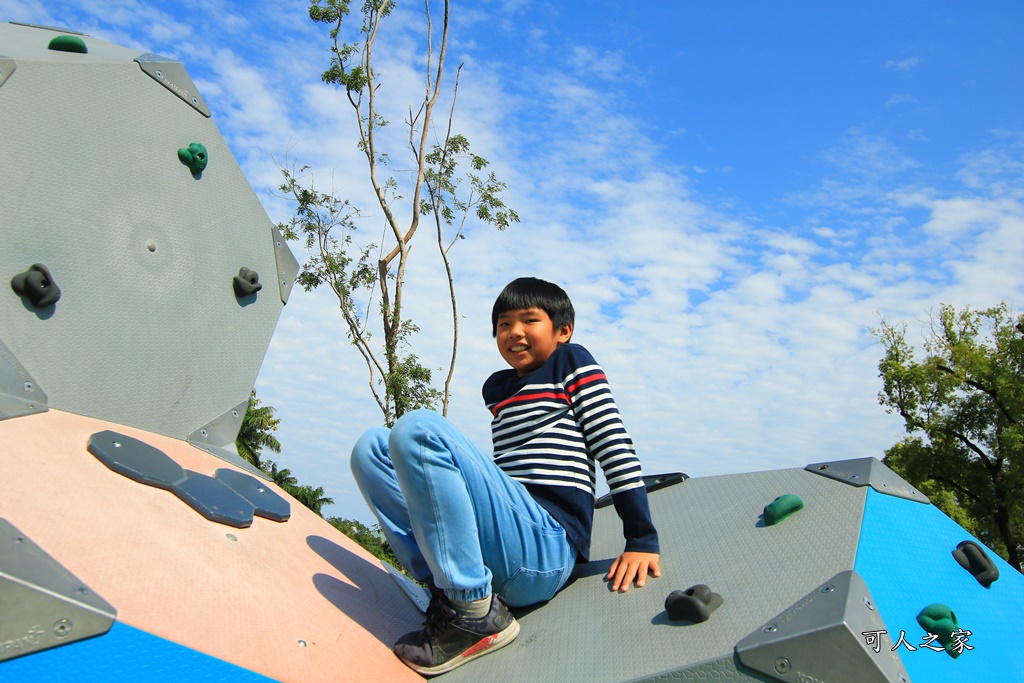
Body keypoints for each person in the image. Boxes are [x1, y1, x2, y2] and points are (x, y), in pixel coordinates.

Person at [350, 277, 660, 676]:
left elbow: (612, 444)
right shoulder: (497, 389)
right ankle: (446, 592)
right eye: (503, 324)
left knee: (418, 428)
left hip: (547, 546)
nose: (513, 332)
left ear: (563, 330)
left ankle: (473, 613)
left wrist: (641, 538)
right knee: (371, 447)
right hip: (506, 542)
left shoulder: (572, 362)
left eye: (529, 320)